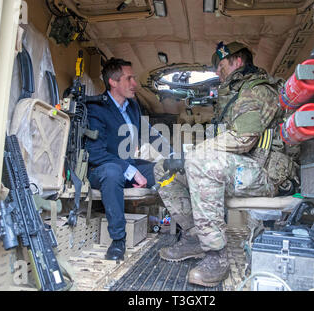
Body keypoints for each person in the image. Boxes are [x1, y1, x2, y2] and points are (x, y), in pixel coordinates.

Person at [156, 42, 298, 287]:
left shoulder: (257, 91)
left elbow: (243, 139)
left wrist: (194, 154)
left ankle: (216, 257)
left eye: (221, 66)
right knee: (163, 168)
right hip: (241, 168)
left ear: (238, 61)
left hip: (264, 172)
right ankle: (194, 238)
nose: (218, 73)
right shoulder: (233, 95)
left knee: (200, 161)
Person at [86, 57, 169, 261]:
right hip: (101, 169)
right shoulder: (96, 109)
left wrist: (172, 155)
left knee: (167, 170)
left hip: (128, 165)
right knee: (113, 172)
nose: (135, 84)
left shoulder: (132, 107)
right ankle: (118, 240)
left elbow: (149, 133)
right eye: (129, 78)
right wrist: (130, 171)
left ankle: (185, 230)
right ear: (113, 82)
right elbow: (95, 152)